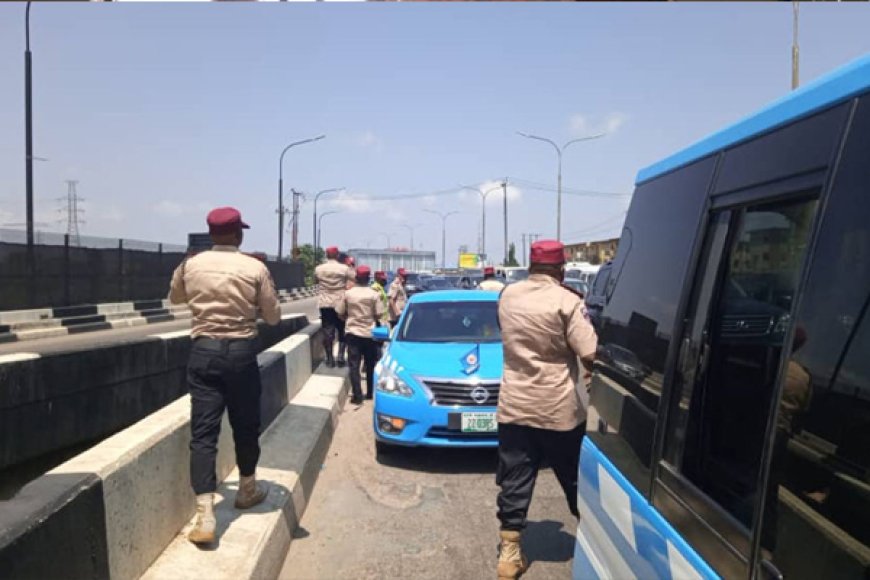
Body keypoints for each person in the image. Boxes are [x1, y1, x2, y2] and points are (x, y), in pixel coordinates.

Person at [168, 206, 281, 545]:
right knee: (245, 425)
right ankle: (247, 489)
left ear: (211, 232)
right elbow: (273, 317)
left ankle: (205, 513)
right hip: (241, 353)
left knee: (203, 433)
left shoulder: (190, 264)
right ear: (238, 234)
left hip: (203, 352)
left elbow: (175, 298)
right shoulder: (254, 267)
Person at [494, 240, 598, 579]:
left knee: (515, 477)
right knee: (573, 477)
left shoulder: (508, 296)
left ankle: (509, 555)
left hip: (515, 406)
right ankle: (593, 542)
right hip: (558, 410)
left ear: (530, 265)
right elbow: (590, 352)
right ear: (561, 269)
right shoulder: (568, 301)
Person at [336, 265, 385, 405]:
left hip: (352, 333)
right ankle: (369, 393)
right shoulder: (374, 294)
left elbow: (340, 312)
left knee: (354, 365)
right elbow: (379, 314)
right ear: (368, 278)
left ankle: (357, 395)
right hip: (369, 334)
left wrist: (348, 317)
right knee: (370, 365)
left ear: (356, 277)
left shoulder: (348, 294)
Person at [315, 246, 354, 367]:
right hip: (340, 302)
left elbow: (316, 281)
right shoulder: (344, 268)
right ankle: (341, 356)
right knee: (342, 329)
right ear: (337, 255)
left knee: (328, 331)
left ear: (326, 255)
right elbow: (352, 281)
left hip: (325, 303)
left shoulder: (319, 269)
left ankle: (330, 358)